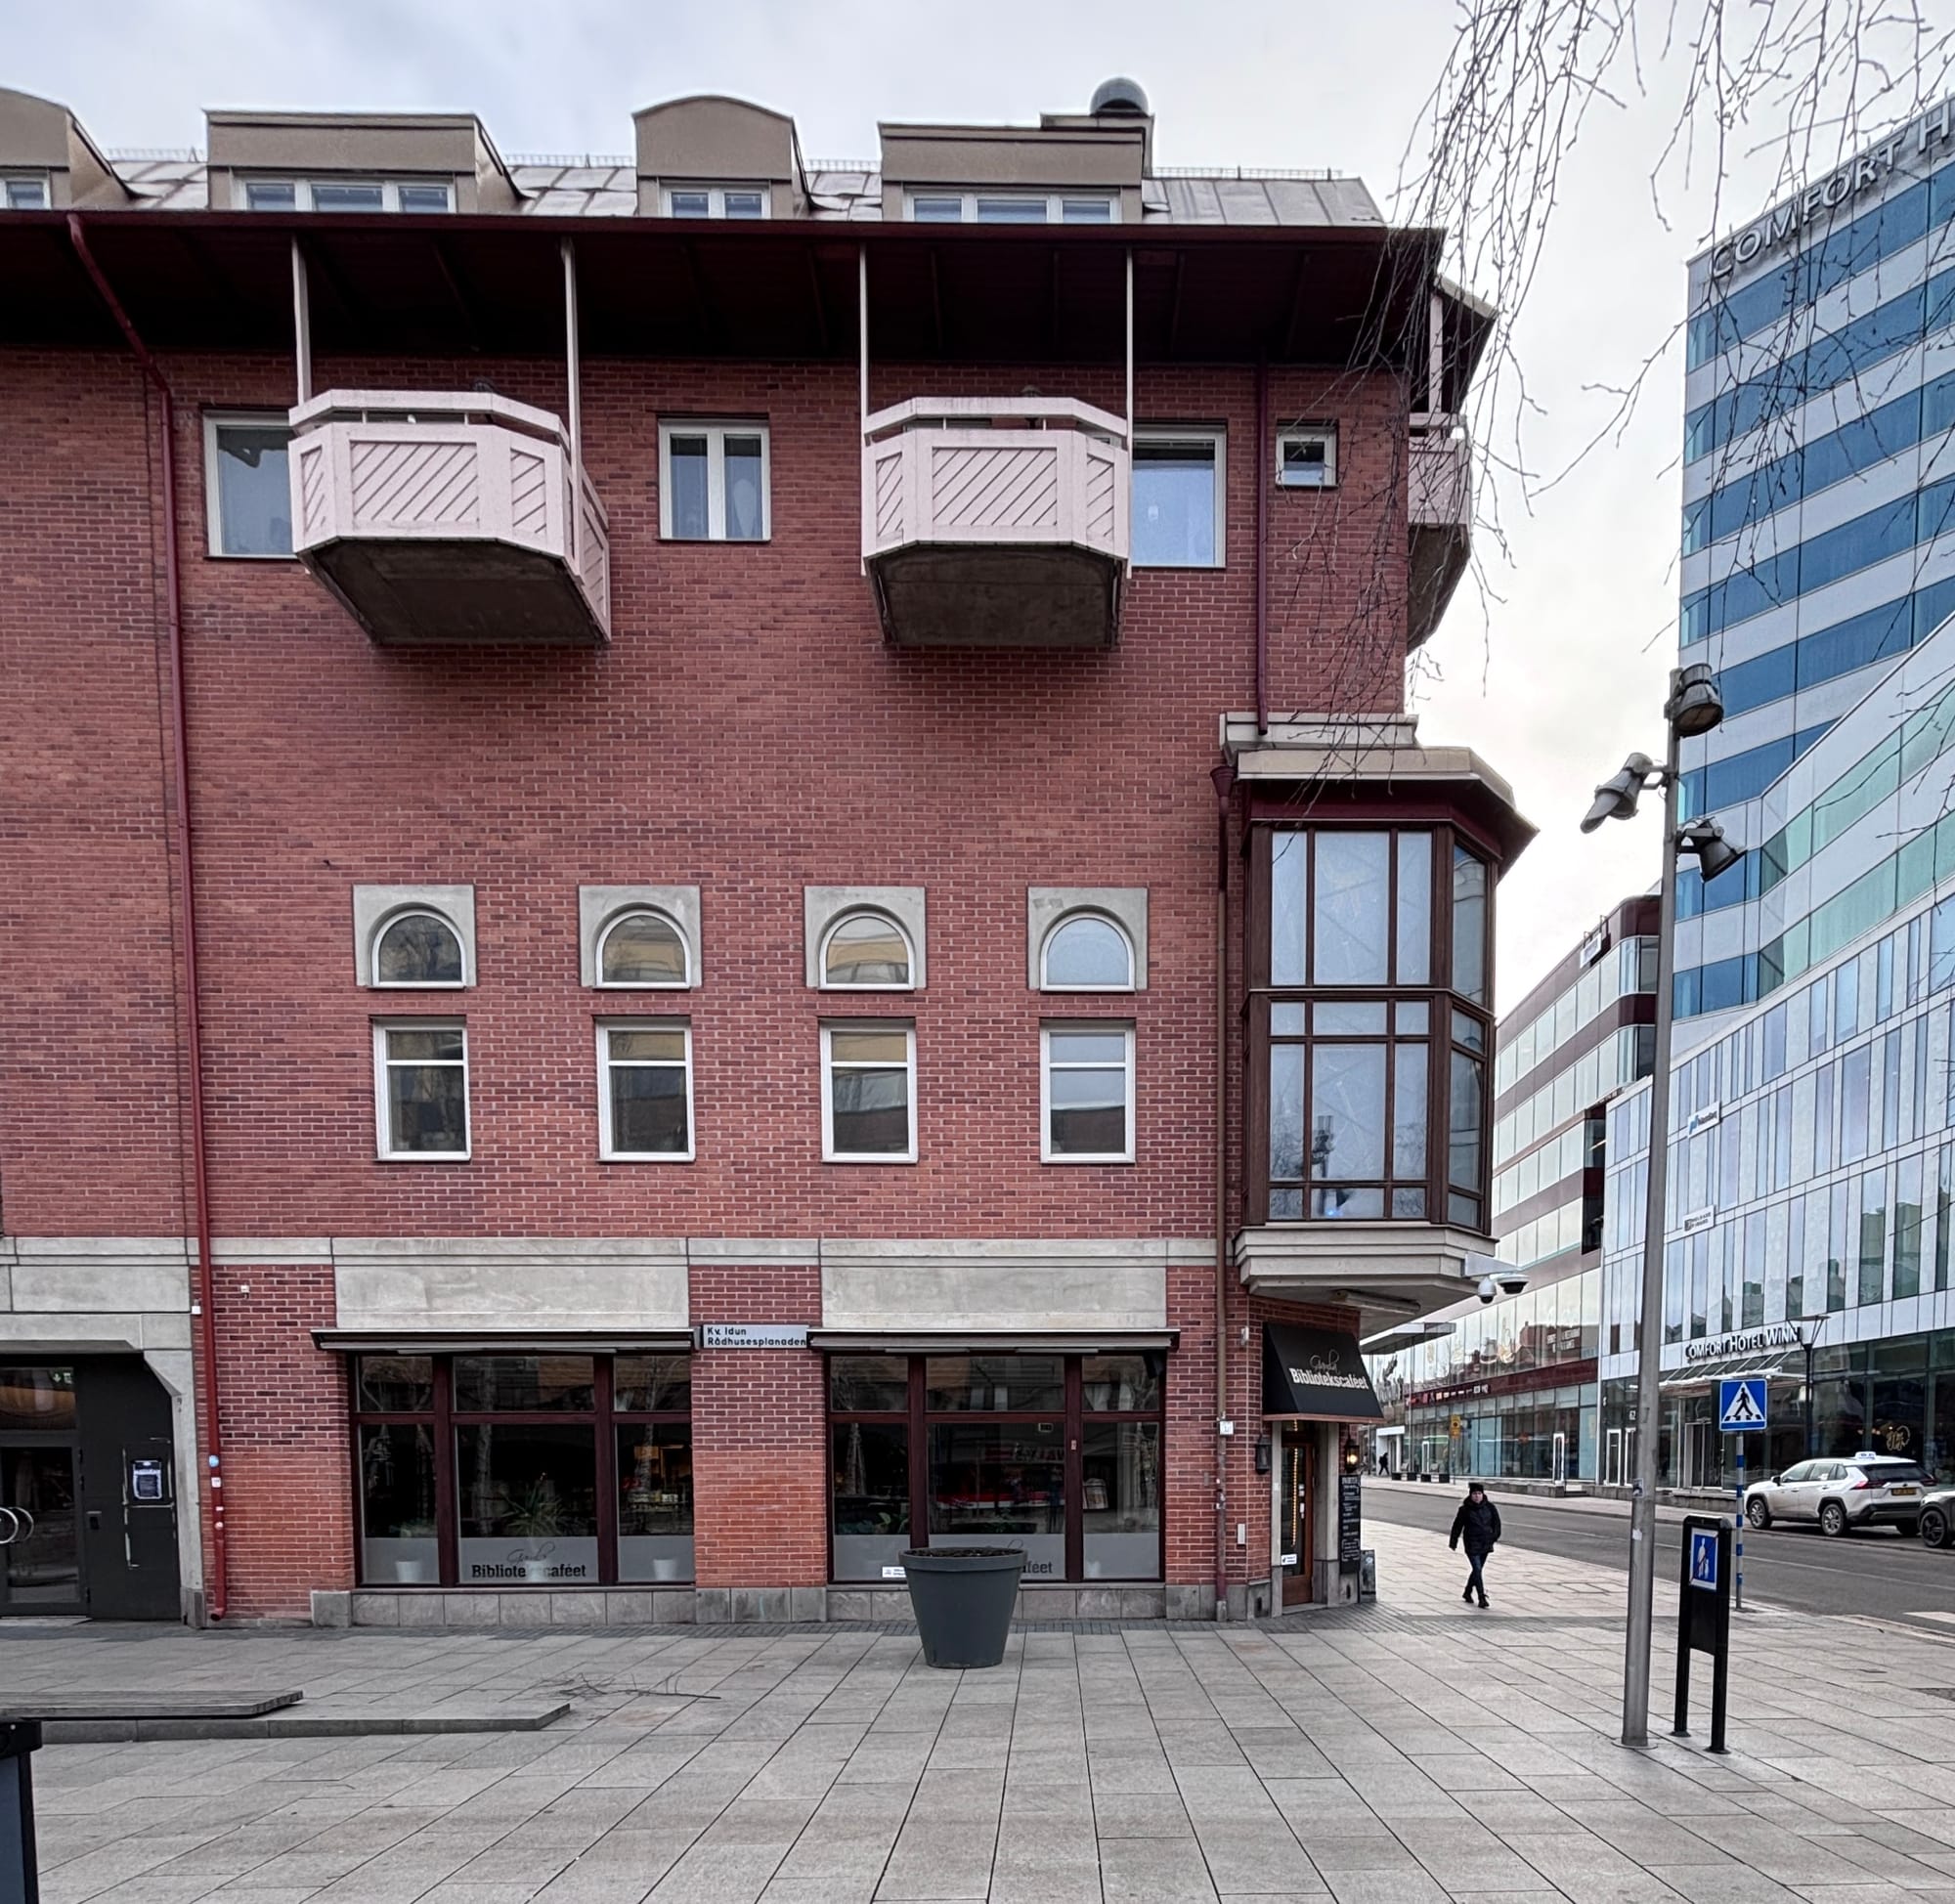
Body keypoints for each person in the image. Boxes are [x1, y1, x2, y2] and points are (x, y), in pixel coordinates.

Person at [1448, 1481, 1500, 1608]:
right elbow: (1457, 1526)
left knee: (1478, 1569)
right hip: (1471, 1543)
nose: (1477, 1496)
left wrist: (1494, 1537)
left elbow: (1496, 1524)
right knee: (1477, 1568)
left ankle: (1467, 1591)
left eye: (1479, 1494)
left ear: (1483, 1494)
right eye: (1474, 1494)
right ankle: (1481, 1596)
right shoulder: (1464, 1509)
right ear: (1470, 1495)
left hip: (1486, 1542)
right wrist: (1453, 1541)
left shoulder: (1490, 1507)